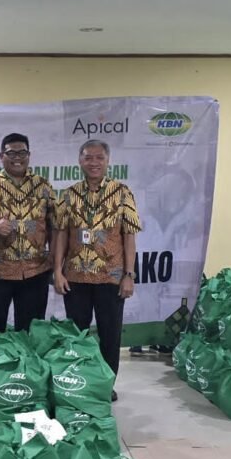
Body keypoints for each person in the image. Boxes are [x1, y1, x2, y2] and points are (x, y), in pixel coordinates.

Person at [53, 139, 142, 399]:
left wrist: (129, 275)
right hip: (76, 278)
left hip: (111, 277)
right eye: (88, 158)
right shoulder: (67, 195)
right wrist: (57, 271)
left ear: (107, 161)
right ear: (80, 161)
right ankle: (78, 381)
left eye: (99, 158)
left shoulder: (123, 193)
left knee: (110, 335)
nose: (94, 163)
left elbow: (129, 236)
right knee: (77, 335)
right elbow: (60, 235)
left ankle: (105, 385)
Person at [0, 133, 55, 332]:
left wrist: (53, 255)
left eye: (22, 152)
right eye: (11, 153)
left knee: (30, 332)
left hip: (35, 270)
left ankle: (28, 364)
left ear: (29, 154)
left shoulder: (42, 186)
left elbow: (55, 222)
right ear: (2, 156)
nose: (17, 157)